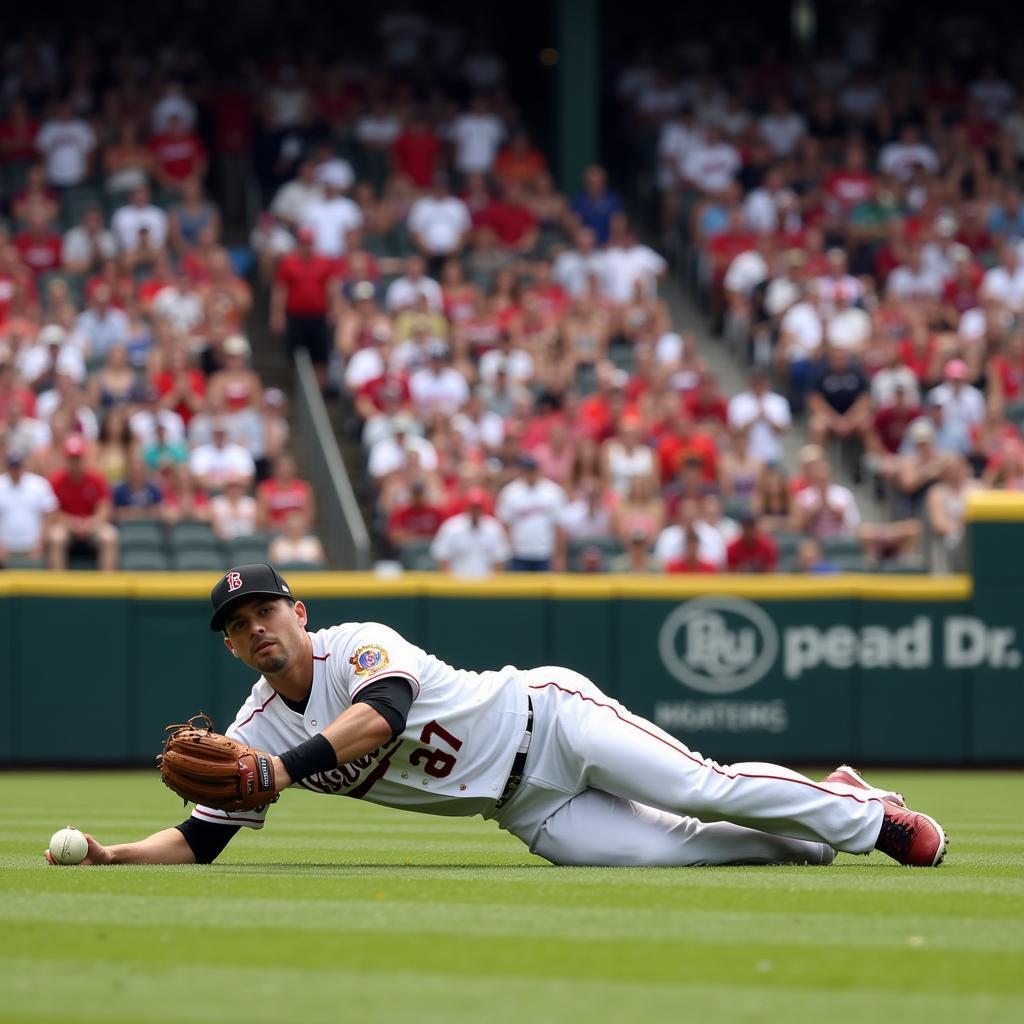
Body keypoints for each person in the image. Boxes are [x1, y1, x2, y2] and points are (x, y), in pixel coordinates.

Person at [48, 564, 947, 869]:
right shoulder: (255, 728)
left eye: (267, 613)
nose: (257, 630)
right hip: (527, 810)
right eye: (239, 628)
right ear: (234, 648)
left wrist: (280, 774)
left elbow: (384, 715)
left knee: (701, 786)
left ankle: (879, 822)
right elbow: (204, 838)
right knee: (686, 849)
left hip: (547, 719)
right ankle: (821, 823)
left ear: (299, 614)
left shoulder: (358, 641)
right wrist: (115, 854)